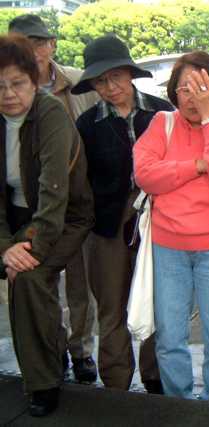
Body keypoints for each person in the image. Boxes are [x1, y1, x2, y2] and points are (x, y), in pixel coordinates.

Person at [134, 51, 209, 400]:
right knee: (170, 337)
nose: (192, 97)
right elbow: (146, 175)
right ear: (173, 92)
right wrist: (198, 165)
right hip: (168, 247)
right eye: (184, 89)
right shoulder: (162, 124)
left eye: (200, 88)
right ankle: (178, 405)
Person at [71, 34, 173, 393]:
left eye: (115, 76)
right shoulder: (87, 124)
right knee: (111, 304)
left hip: (159, 221)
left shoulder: (163, 112)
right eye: (100, 81)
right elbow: (80, 181)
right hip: (107, 226)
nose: (110, 87)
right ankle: (116, 381)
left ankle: (155, 377)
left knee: (157, 300)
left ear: (130, 73)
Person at [0, 34, 93, 416]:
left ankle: (43, 381)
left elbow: (54, 195)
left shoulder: (50, 113)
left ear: (33, 80)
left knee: (29, 279)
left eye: (17, 83)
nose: (8, 94)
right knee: (19, 270)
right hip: (14, 221)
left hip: (65, 216)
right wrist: (5, 247)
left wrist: (25, 252)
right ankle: (53, 351)